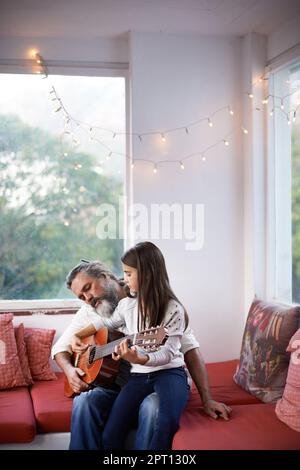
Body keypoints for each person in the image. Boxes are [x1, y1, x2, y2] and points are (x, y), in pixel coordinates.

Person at [52, 257, 231, 450]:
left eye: (88, 288)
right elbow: (59, 349)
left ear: (105, 276)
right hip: (116, 387)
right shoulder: (88, 312)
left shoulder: (155, 300)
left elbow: (190, 350)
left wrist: (207, 399)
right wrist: (70, 371)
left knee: (152, 406)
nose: (87, 299)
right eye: (81, 296)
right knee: (84, 402)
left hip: (159, 381)